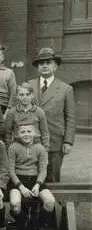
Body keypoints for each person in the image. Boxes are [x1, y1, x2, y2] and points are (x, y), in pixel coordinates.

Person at [28, 47, 75, 182]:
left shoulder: (66, 89)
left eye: (48, 62)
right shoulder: (29, 85)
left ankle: (53, 203)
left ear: (55, 66)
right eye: (41, 63)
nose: (44, 66)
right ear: (37, 67)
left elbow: (70, 117)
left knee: (52, 177)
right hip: (32, 140)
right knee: (31, 177)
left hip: (55, 141)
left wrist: (68, 141)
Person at [8, 123, 55, 230]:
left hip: (36, 181)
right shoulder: (13, 147)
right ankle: (21, 225)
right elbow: (11, 170)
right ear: (18, 134)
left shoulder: (40, 148)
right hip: (18, 181)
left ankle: (35, 228)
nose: (26, 134)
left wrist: (38, 184)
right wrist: (21, 187)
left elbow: (43, 170)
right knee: (15, 203)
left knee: (50, 202)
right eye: (23, 132)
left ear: (34, 133)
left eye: (29, 131)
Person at [4, 82, 49, 149]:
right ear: (17, 96)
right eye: (21, 95)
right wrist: (9, 147)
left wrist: (45, 148)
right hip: (18, 146)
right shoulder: (12, 112)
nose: (25, 97)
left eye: (27, 94)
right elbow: (8, 133)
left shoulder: (39, 112)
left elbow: (44, 133)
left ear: (32, 95)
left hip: (36, 146)